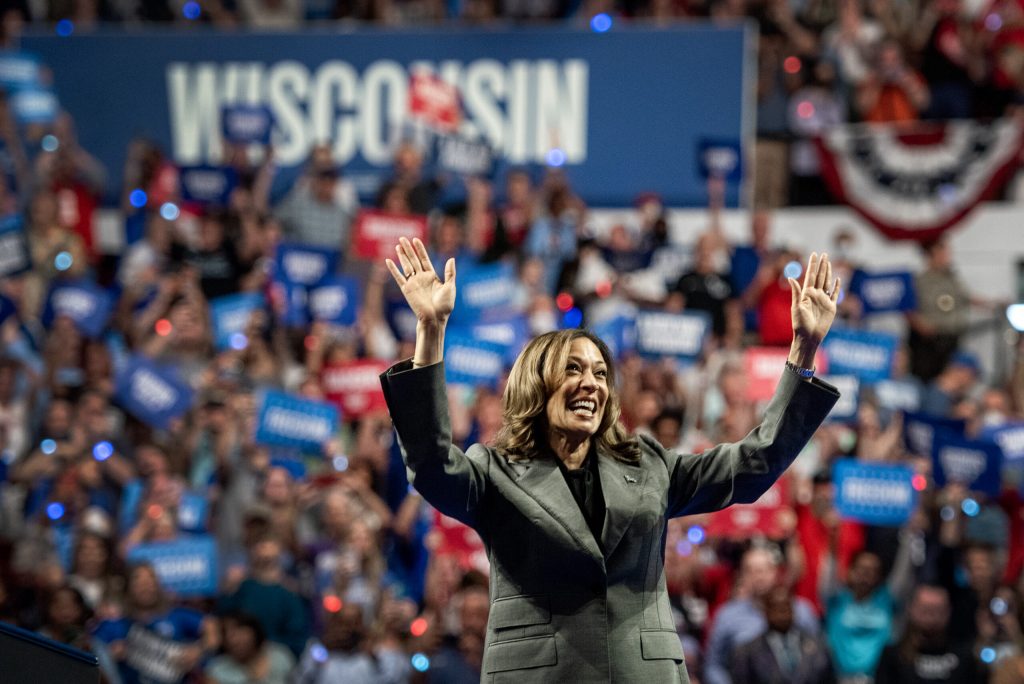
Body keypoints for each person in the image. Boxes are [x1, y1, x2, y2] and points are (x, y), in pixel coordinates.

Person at [379, 237, 842, 682]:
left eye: (601, 373)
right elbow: (432, 465)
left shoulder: (650, 466)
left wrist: (803, 351)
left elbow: (753, 465)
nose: (592, 383)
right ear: (536, 387)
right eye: (574, 369)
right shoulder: (494, 472)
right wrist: (431, 331)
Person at [730, 585, 835, 684]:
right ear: (765, 612)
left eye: (786, 607)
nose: (782, 614)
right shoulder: (749, 653)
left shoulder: (817, 647)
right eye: (776, 609)